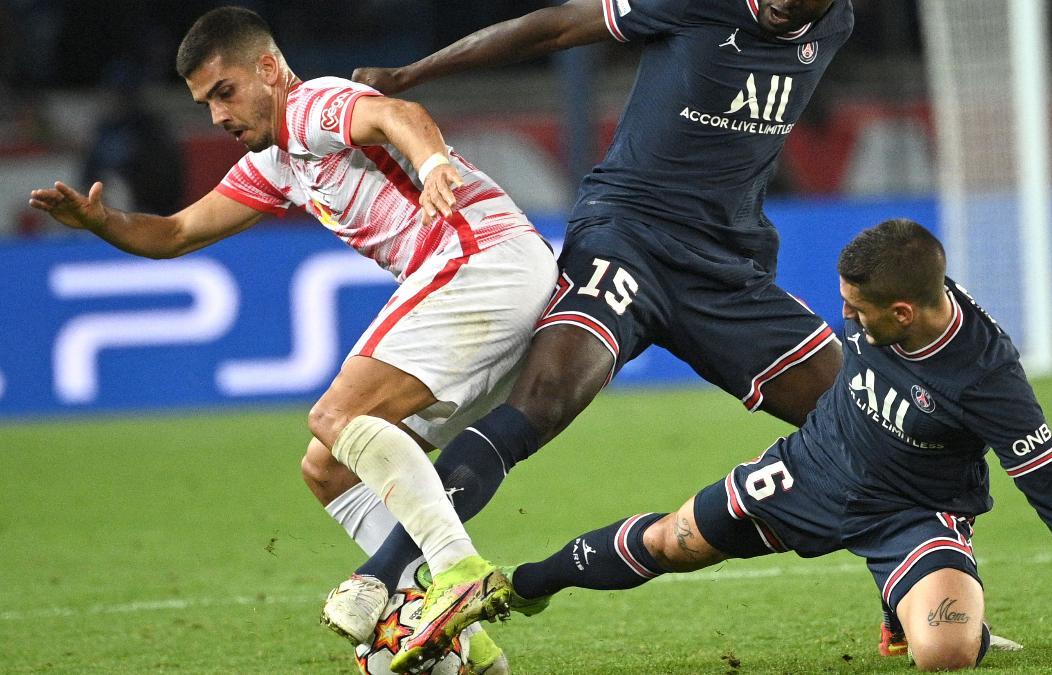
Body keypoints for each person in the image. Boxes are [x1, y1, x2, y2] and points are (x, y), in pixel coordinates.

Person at [390, 218, 1052, 671]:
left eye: (857, 309)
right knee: (674, 539)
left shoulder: (988, 380)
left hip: (916, 511)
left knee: (942, 651)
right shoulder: (899, 293)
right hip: (812, 466)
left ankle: (927, 611)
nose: (846, 317)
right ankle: (516, 585)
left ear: (905, 312)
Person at [29, 7, 559, 672]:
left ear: (271, 70)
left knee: (337, 415)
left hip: (479, 258)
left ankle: (456, 574)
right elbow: (176, 234)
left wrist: (430, 168)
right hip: (490, 279)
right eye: (205, 104)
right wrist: (102, 221)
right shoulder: (279, 162)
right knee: (328, 465)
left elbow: (400, 115)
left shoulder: (314, 105)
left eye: (225, 92)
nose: (218, 115)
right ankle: (458, 649)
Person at [333, 0, 853, 640]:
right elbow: (553, 26)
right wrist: (410, 74)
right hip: (625, 236)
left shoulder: (836, 23)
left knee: (869, 419)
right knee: (539, 405)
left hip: (725, 272)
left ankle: (907, 610)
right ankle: (378, 578)